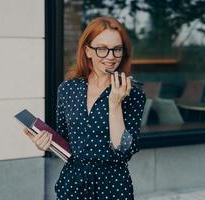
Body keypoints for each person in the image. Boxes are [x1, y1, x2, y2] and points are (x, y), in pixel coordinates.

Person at [23, 16, 146, 200]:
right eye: (102, 49)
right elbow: (65, 142)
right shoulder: (67, 89)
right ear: (88, 51)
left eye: (117, 49)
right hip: (72, 184)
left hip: (113, 187)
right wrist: (47, 144)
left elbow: (124, 151)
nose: (111, 57)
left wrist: (115, 103)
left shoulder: (133, 94)